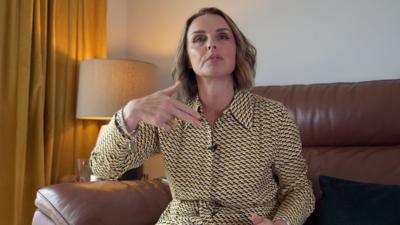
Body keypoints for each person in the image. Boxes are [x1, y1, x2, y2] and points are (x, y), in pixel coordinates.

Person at [90, 7, 315, 225]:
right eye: (199, 39)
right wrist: (130, 113)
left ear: (236, 51)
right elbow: (103, 169)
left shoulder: (272, 116)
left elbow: (299, 189)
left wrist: (282, 223)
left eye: (223, 36)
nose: (211, 44)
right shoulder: (167, 114)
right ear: (187, 57)